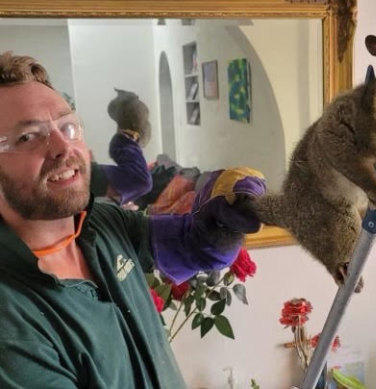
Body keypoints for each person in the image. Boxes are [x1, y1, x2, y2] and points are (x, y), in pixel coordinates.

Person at [0, 51, 266, 388]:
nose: (63, 147)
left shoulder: (103, 223)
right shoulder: (11, 325)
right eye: (28, 136)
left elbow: (195, 246)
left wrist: (223, 215)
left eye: (67, 126)